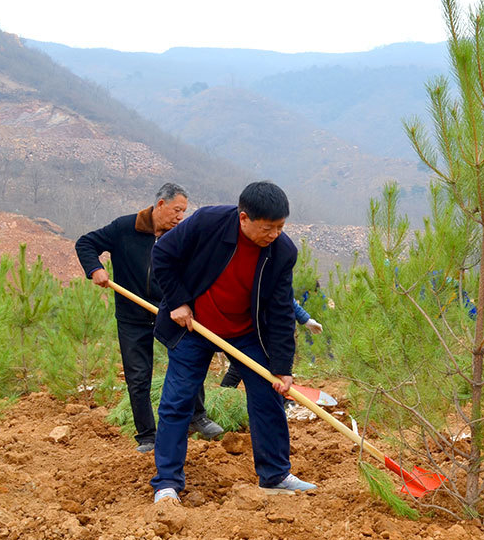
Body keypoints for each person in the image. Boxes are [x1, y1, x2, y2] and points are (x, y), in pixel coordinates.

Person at [149, 180, 316, 503]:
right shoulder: (208, 223)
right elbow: (163, 254)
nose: (275, 235)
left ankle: (275, 475)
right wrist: (179, 301)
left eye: (281, 226)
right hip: (194, 327)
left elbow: (281, 312)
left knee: (269, 397)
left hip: (245, 333)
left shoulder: (282, 252)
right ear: (243, 218)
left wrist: (282, 368)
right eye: (268, 228)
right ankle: (167, 483)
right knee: (177, 401)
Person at [75, 183, 224, 454]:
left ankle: (196, 417)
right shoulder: (125, 228)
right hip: (131, 316)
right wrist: (95, 268)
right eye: (177, 210)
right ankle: (147, 435)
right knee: (138, 376)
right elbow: (85, 243)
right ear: (160, 205)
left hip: (169, 313)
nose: (180, 217)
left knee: (187, 361)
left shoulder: (181, 236)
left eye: (184, 211)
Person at [219, 299, 322, 388]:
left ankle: (284, 400)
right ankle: (220, 398)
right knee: (239, 367)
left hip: (267, 331)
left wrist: (305, 319)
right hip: (249, 330)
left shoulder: (270, 280)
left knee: (273, 367)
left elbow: (285, 297)